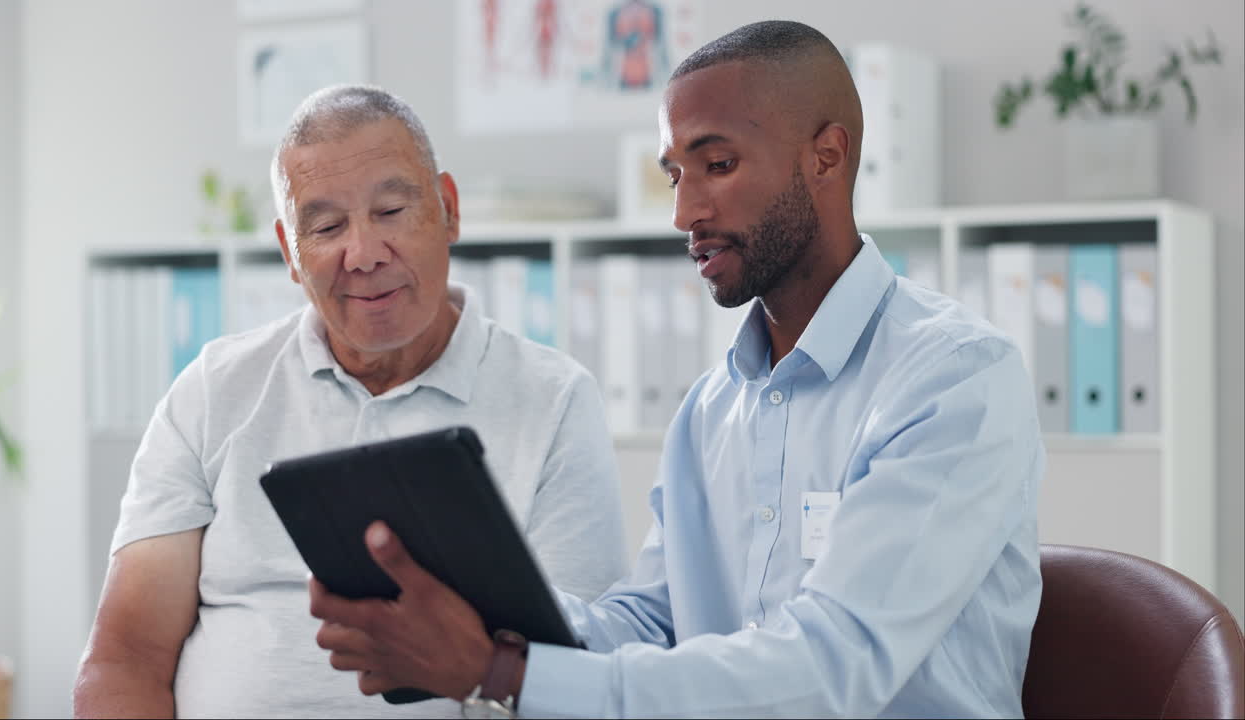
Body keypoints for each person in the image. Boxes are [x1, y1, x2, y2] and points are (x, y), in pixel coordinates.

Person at [306, 20, 1045, 719]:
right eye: (674, 177)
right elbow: (652, 621)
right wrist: (490, 614)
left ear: (826, 156)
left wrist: (503, 674)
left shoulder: (953, 379)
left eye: (717, 166)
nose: (684, 212)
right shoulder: (710, 409)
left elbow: (832, 669)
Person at [72, 85, 628, 719]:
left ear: (448, 211)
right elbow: (125, 659)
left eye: (390, 211)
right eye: (326, 227)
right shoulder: (211, 391)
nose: (362, 254)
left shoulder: (555, 400)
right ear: (289, 252)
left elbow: (570, 680)